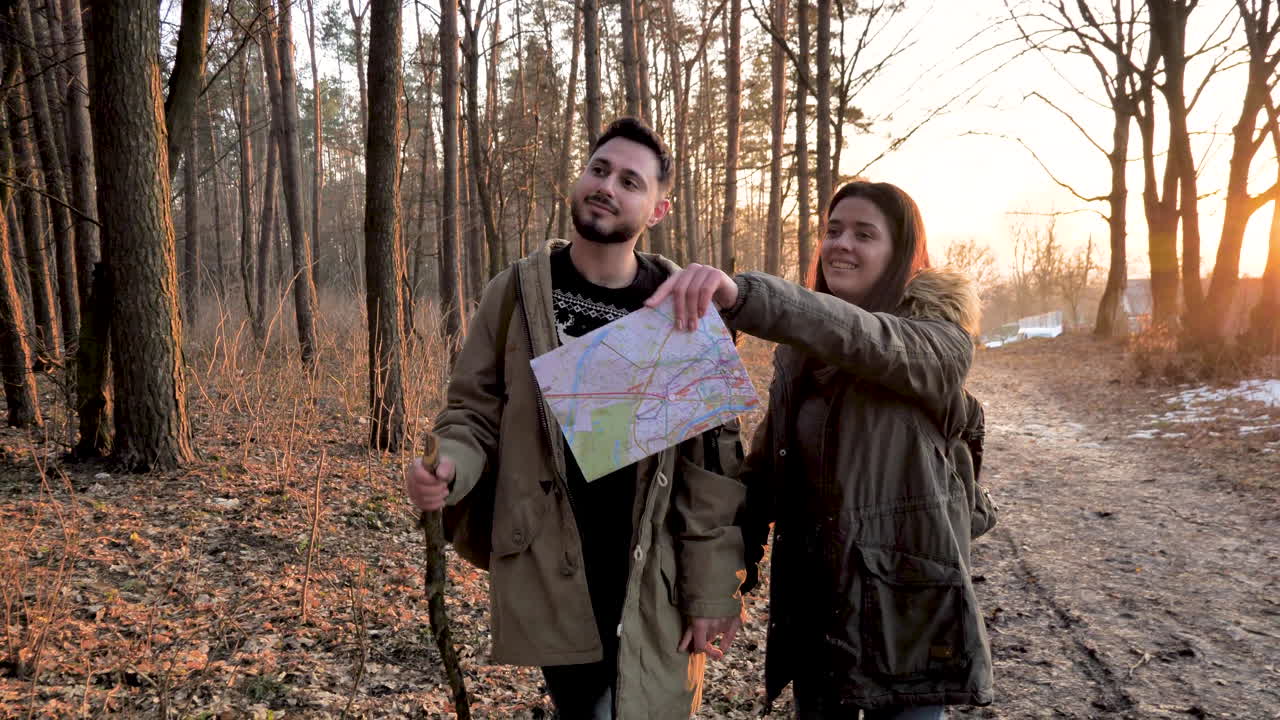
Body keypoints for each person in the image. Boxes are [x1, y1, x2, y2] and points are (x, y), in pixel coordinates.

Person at [406, 117, 748, 720]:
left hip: (653, 572)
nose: (607, 187)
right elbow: (473, 411)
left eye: (629, 181)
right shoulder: (516, 292)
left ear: (658, 209)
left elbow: (710, 473)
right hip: (555, 568)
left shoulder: (682, 308)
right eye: (599, 169)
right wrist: (450, 466)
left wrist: (712, 590)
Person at [646, 180, 995, 718]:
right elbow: (764, 478)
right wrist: (719, 586)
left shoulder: (937, 341)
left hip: (905, 621)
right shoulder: (799, 355)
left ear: (901, 252)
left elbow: (869, 339)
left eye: (864, 234)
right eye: (833, 231)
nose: (842, 244)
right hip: (817, 619)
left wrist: (746, 298)